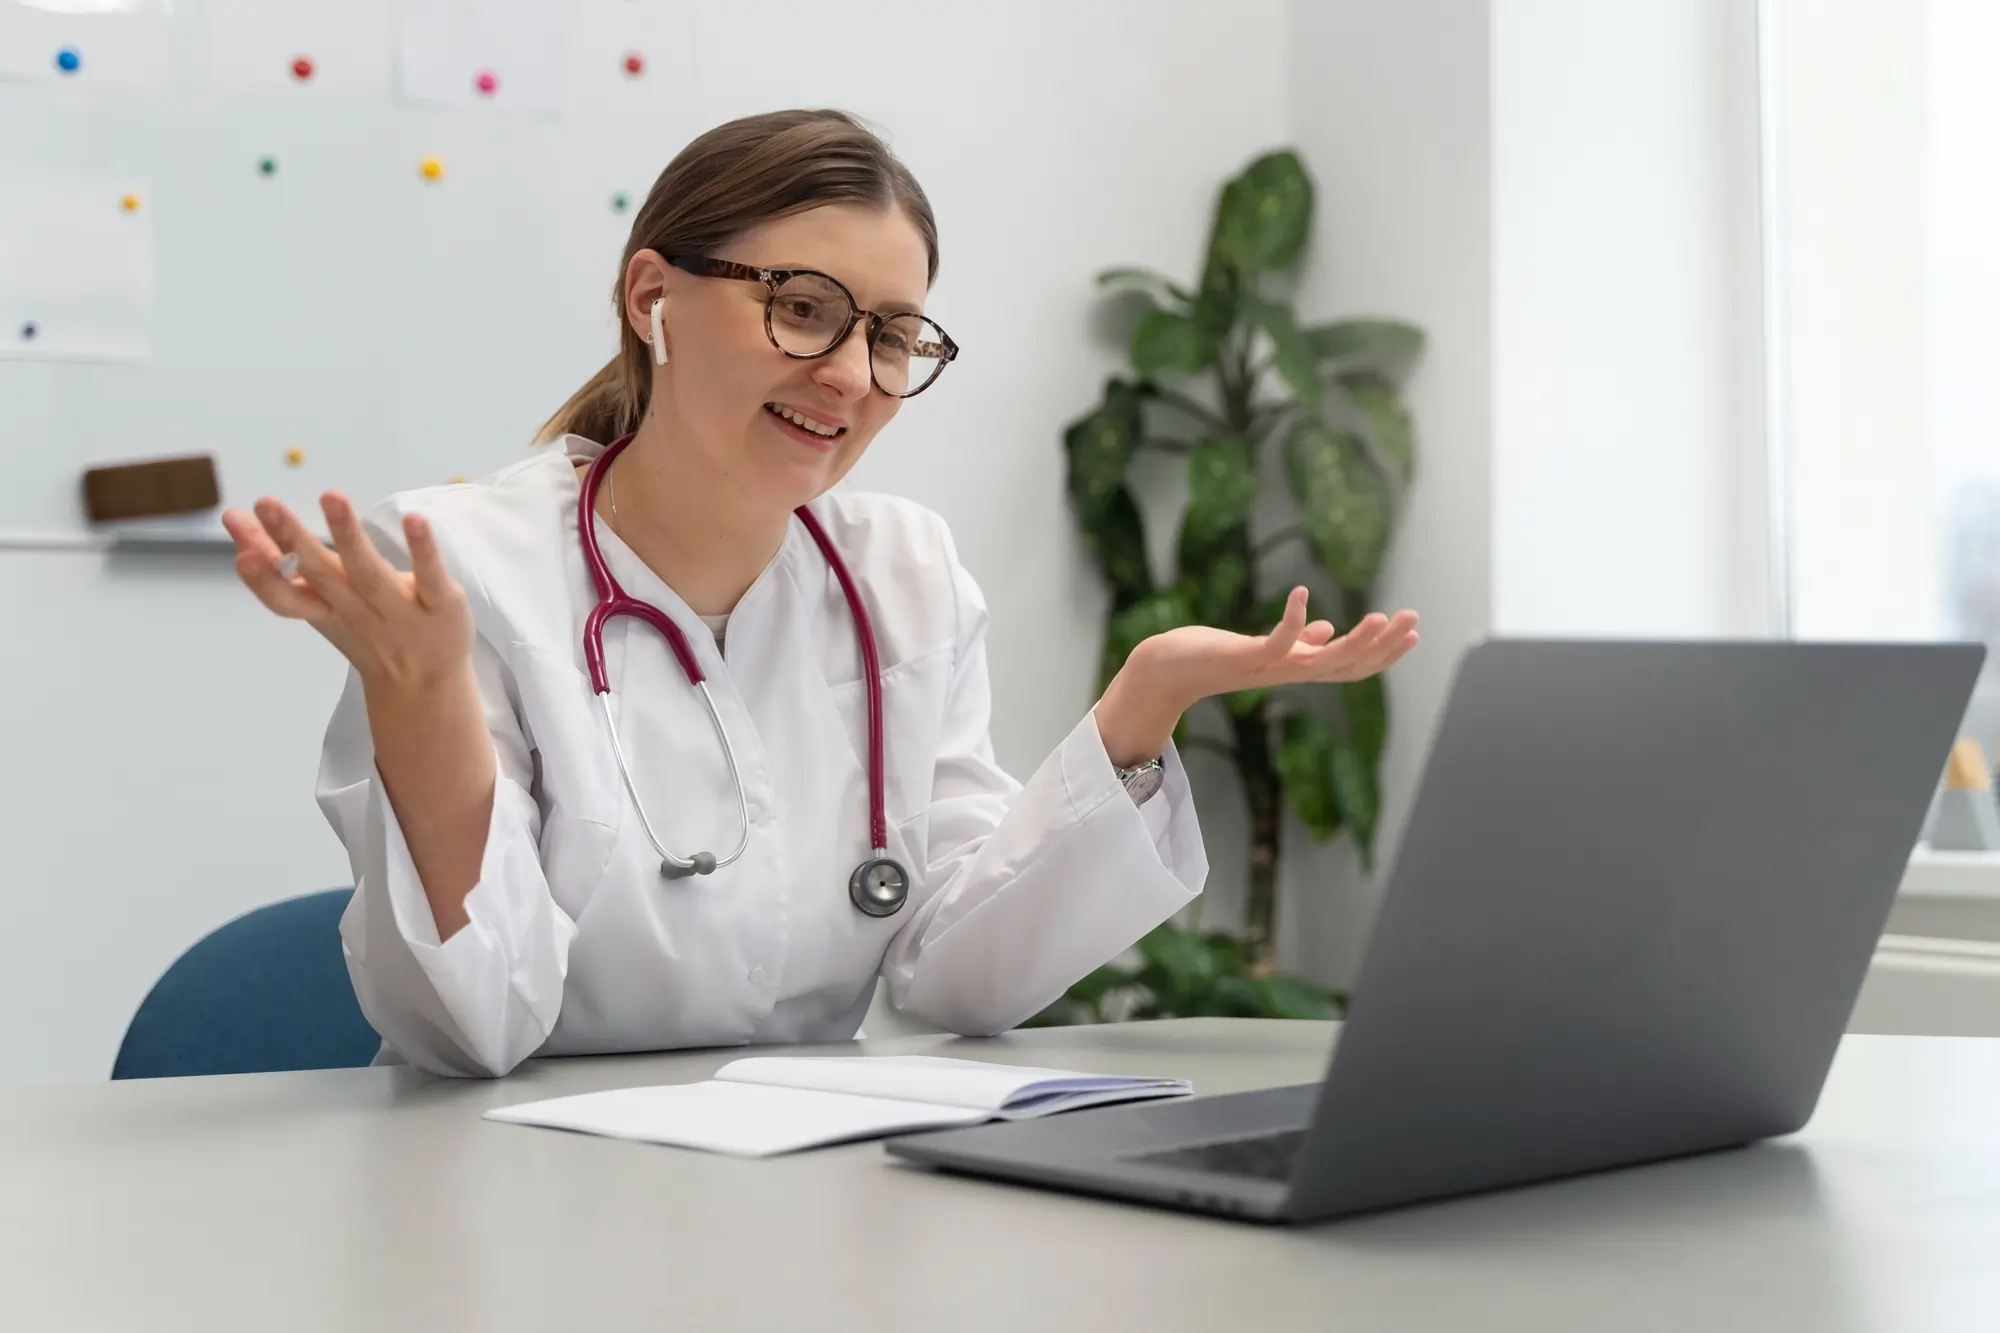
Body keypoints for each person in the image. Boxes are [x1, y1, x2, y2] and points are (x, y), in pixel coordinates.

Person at [220, 108, 1421, 1078]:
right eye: (802, 309)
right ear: (654, 298)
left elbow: (961, 978)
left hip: (814, 1199)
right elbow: (470, 1031)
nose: (848, 374)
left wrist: (1141, 712)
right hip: (509, 1192)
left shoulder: (904, 573)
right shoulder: (459, 565)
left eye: (893, 334)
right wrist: (424, 697)